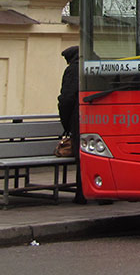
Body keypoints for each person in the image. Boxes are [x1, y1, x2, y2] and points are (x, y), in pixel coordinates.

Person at [57, 45, 85, 203]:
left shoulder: (73, 70)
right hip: (103, 119)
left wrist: (66, 124)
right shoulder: (97, 64)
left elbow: (66, 99)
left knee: (82, 158)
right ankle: (105, 196)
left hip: (79, 119)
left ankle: (81, 195)